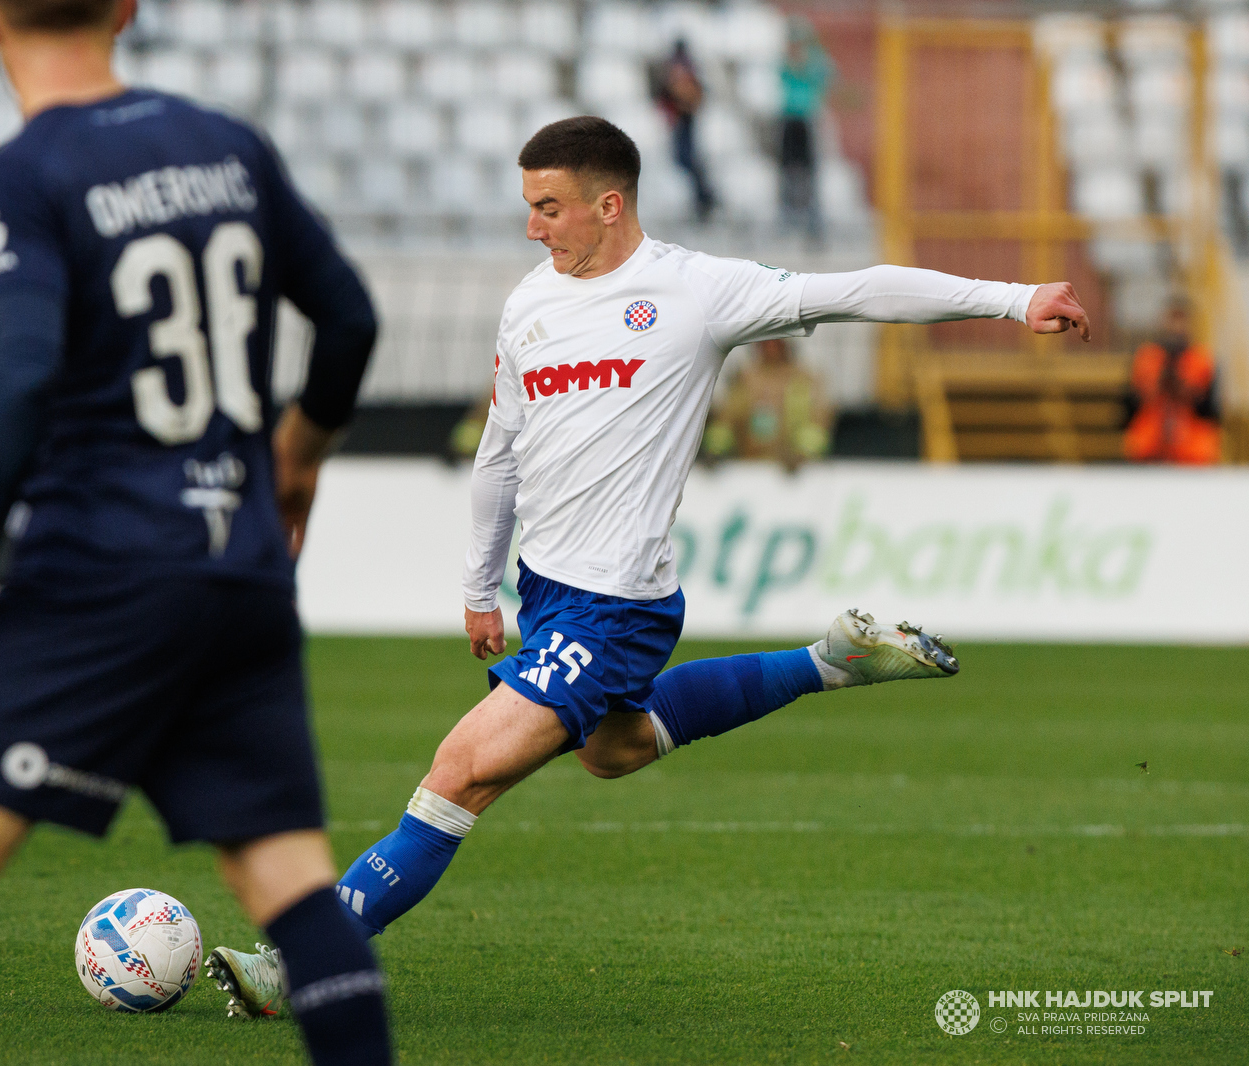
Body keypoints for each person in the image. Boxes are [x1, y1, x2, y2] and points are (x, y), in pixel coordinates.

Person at [210, 116, 1093, 1012]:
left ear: (609, 204)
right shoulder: (530, 304)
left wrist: (1012, 299)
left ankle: (296, 966)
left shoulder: (696, 290)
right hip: (548, 592)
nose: (533, 228)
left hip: (616, 606)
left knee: (460, 773)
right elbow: (501, 456)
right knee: (615, 751)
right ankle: (832, 662)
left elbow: (857, 288)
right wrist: (481, 587)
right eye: (528, 208)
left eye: (548, 208)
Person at [0, 1, 392, 1063]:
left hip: (97, 566)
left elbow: (21, 370)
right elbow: (349, 319)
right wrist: (296, 460)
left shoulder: (17, 175)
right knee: (287, 876)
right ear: (127, 9)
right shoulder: (227, 146)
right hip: (238, 565)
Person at [702, 337, 833, 471]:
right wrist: (715, 450)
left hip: (790, 472)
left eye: (776, 341)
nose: (771, 347)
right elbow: (725, 423)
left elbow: (817, 427)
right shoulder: (745, 379)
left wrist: (803, 453)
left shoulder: (805, 381)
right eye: (766, 342)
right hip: (746, 468)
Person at [1123, 299, 1221, 464]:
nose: (1176, 327)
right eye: (1172, 319)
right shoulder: (1146, 358)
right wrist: (1156, 387)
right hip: (1148, 449)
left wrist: (1186, 391)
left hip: (1193, 453)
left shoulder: (1202, 361)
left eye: (1181, 320)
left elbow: (1212, 411)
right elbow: (1127, 407)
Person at [778, 20, 834, 240]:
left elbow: (827, 79)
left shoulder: (816, 61)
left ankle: (812, 220)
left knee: (809, 171)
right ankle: (789, 216)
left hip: (807, 119)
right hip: (790, 119)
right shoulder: (786, 60)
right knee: (788, 169)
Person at [652, 38, 716, 223]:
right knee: (685, 160)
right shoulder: (687, 68)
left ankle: (703, 200)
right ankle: (703, 199)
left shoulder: (679, 68)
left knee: (686, 158)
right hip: (682, 119)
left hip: (684, 119)